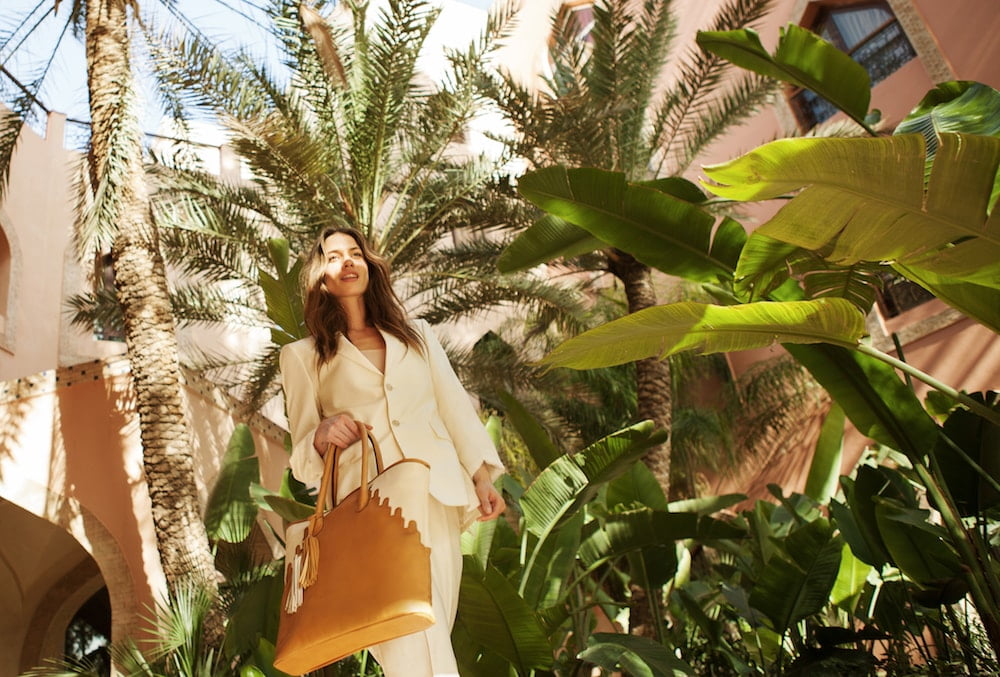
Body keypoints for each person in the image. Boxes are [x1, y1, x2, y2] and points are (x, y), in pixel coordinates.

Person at [279, 226, 506, 677]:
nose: (346, 262)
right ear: (318, 277)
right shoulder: (303, 356)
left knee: (433, 622)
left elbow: (453, 405)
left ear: (369, 265)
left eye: (354, 253)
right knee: (409, 632)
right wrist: (322, 434)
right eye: (333, 257)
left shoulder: (416, 334)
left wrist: (482, 475)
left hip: (434, 492)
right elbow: (303, 456)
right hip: (369, 506)